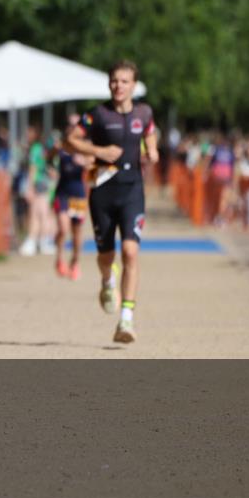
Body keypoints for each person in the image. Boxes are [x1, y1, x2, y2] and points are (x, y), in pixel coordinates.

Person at [66, 60, 158, 343]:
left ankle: (126, 320)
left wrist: (152, 153)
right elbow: (70, 140)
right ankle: (108, 279)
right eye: (115, 81)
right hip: (102, 193)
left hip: (132, 191)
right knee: (106, 256)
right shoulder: (98, 114)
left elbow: (150, 136)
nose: (119, 86)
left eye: (125, 81)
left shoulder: (144, 112)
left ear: (134, 85)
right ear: (109, 83)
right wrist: (99, 150)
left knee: (130, 251)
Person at [50, 114, 89, 279]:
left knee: (77, 232)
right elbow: (48, 159)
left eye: (76, 124)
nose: (72, 127)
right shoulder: (61, 145)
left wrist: (85, 161)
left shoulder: (85, 145)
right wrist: (53, 154)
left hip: (78, 194)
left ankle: (75, 261)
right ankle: (59, 258)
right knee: (63, 228)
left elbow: (94, 162)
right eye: (69, 124)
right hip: (62, 192)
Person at [18, 125, 56, 256]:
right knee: (44, 213)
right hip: (46, 183)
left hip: (38, 183)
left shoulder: (35, 149)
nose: (26, 136)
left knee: (36, 214)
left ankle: (33, 241)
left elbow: (33, 169)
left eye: (29, 133)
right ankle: (43, 241)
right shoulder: (43, 149)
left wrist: (29, 187)